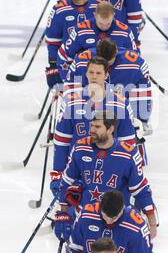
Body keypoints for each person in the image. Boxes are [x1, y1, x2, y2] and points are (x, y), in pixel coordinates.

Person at [53, 111, 157, 243]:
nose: (91, 130)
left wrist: (152, 223)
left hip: (115, 221)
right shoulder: (80, 147)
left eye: (97, 127)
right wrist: (64, 214)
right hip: (84, 220)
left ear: (110, 129)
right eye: (91, 126)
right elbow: (67, 182)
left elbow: (141, 190)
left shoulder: (128, 154)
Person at [50, 57, 136, 187]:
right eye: (91, 72)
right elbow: (61, 141)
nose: (94, 77)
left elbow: (128, 143)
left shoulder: (120, 104)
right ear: (86, 74)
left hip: (111, 170)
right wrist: (58, 173)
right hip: (79, 169)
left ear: (106, 75)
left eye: (98, 73)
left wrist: (129, 174)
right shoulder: (72, 102)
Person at [44, 0, 100, 89]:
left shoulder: (97, 7)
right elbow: (53, 41)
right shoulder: (59, 10)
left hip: (96, 64)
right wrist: (53, 64)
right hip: (68, 63)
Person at [57, 1, 137, 77]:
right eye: (101, 23)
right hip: (86, 78)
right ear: (95, 15)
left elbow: (134, 58)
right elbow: (64, 55)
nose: (104, 27)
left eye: (108, 23)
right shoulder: (80, 30)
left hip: (117, 80)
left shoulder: (125, 32)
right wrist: (69, 81)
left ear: (113, 15)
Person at [67, 190, 154, 253]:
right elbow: (75, 249)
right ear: (100, 207)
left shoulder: (136, 227)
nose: (108, 222)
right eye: (105, 216)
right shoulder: (85, 216)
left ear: (122, 209)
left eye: (114, 218)